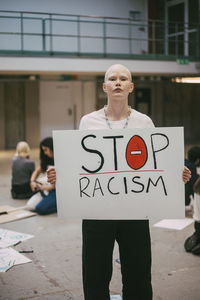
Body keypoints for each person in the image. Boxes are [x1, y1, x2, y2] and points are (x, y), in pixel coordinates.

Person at [47, 64, 191, 300]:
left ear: (131, 87)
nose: (117, 82)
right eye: (112, 79)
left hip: (135, 212)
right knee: (95, 274)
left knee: (138, 274)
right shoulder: (88, 122)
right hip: (96, 211)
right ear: (104, 87)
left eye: (123, 79)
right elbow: (76, 162)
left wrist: (177, 174)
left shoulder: (144, 122)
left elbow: (157, 164)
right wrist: (58, 174)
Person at [29, 137, 57, 215]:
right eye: (43, 150)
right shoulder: (48, 160)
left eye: (46, 150)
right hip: (47, 189)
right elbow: (37, 171)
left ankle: (60, 205)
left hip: (57, 191)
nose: (45, 153)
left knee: (40, 209)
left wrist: (45, 188)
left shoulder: (60, 160)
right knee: (30, 206)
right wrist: (32, 182)